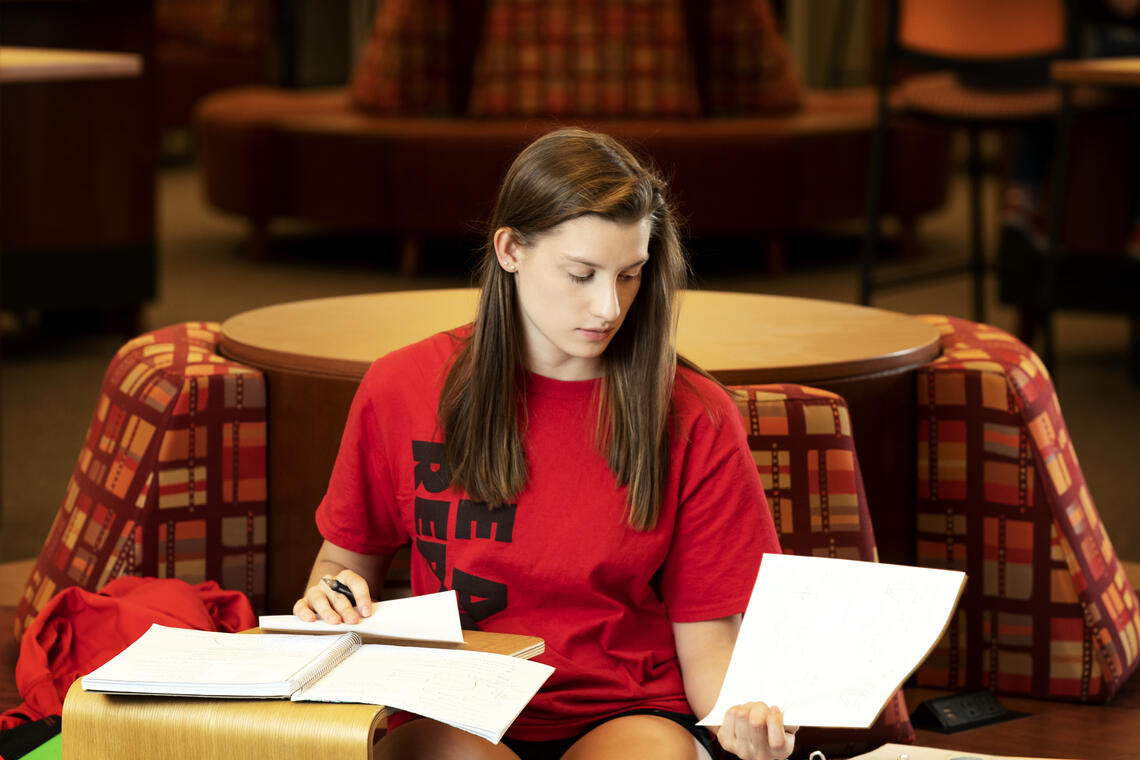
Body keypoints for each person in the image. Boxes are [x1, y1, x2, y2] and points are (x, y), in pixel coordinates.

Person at [293, 127, 793, 760]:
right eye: (581, 274)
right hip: (456, 705)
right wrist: (330, 597)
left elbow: (711, 644)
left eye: (630, 276)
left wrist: (743, 719)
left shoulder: (695, 415)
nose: (609, 307)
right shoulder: (401, 386)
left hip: (628, 707)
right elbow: (341, 567)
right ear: (510, 250)